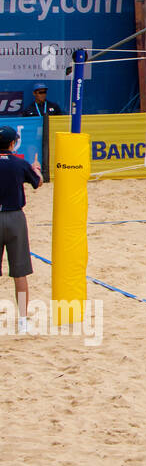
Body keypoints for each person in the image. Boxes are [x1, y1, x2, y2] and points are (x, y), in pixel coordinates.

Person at [0, 126, 41, 335]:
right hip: (15, 217)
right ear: (12, 143)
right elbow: (38, 183)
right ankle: (23, 320)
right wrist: (36, 170)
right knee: (20, 272)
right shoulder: (19, 163)